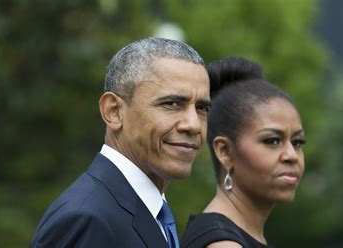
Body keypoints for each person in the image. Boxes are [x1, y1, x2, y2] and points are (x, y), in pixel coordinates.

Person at [31, 37, 211, 247]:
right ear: (113, 112)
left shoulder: (148, 213)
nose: (194, 124)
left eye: (202, 108)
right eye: (171, 103)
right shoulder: (88, 219)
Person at [181, 57, 306, 248]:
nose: (291, 155)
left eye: (297, 142)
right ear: (225, 152)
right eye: (272, 141)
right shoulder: (222, 244)